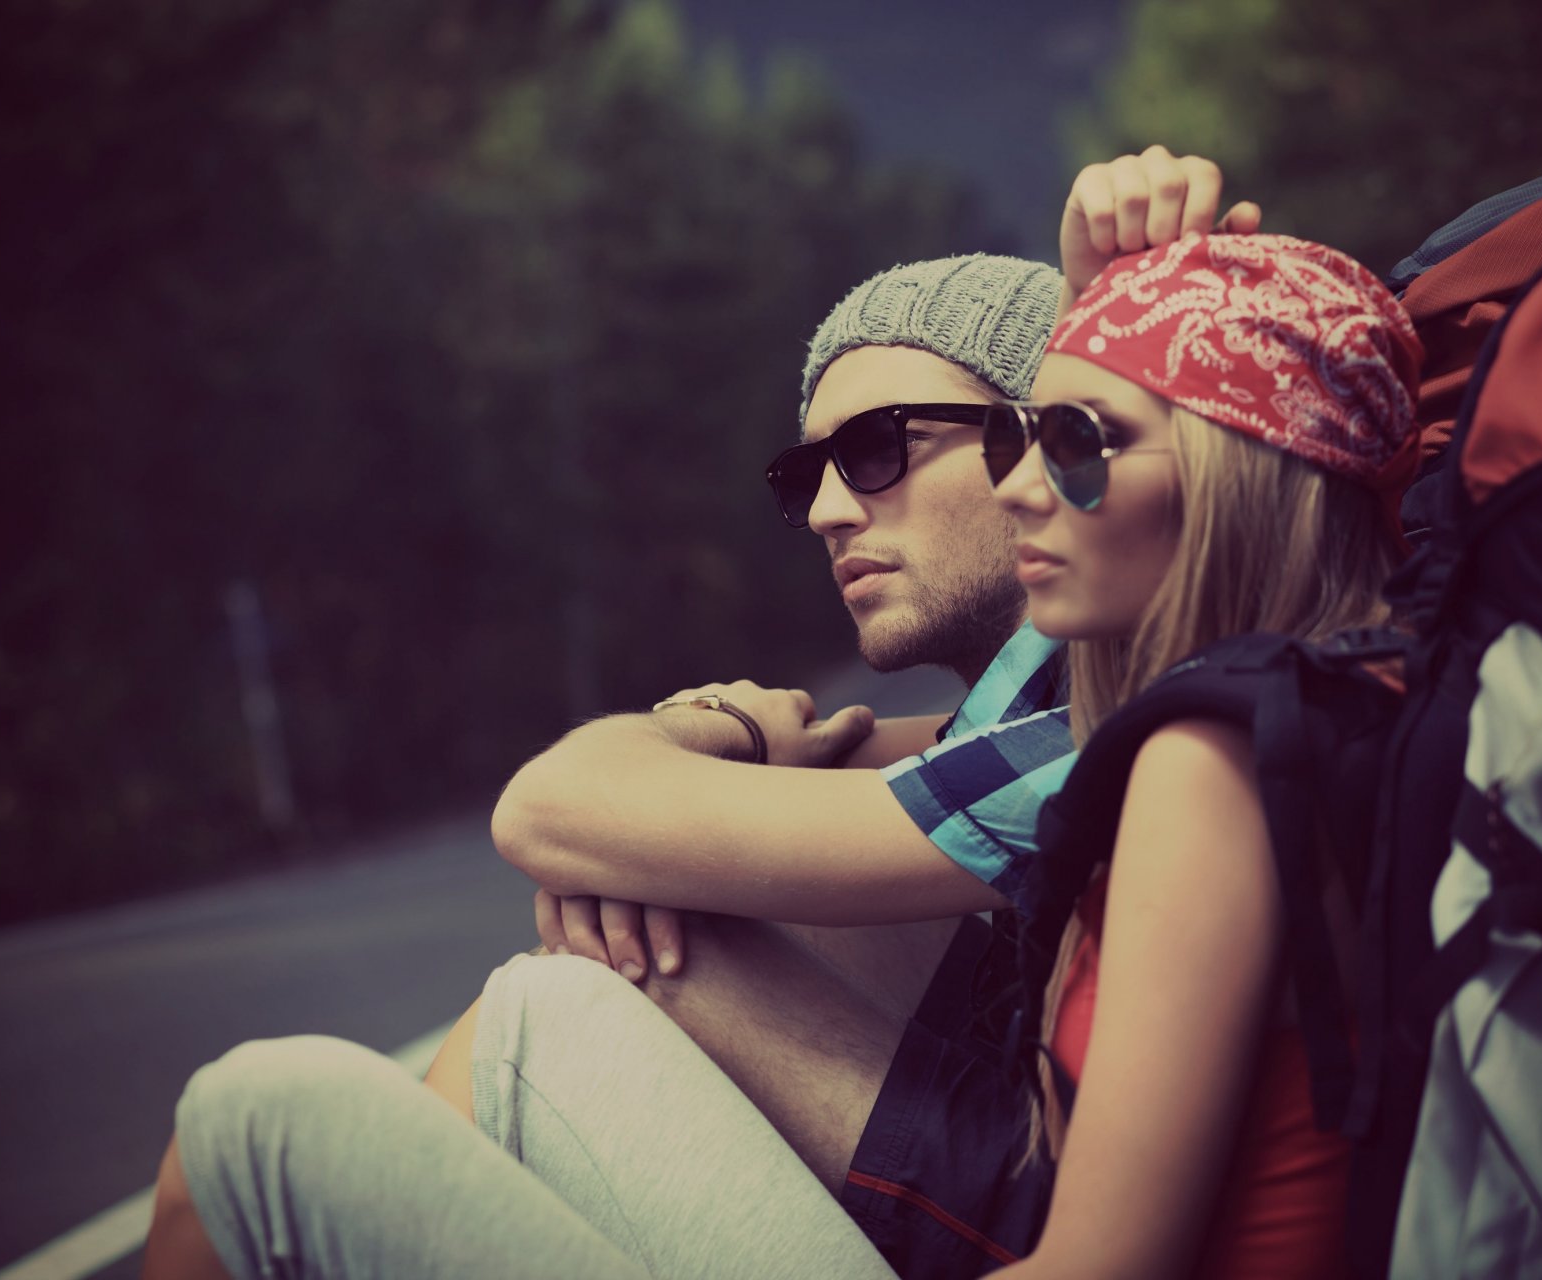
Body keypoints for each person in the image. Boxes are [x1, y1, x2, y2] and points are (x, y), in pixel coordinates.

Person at [140, 149, 1265, 1279]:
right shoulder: (1047, 719)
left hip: (1025, 1215)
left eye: (878, 450)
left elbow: (552, 809)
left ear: (1044, 439)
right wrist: (699, 774)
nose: (828, 509)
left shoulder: (1114, 740)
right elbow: (605, 816)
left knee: (273, 1115)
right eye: (805, 475)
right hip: (1016, 1173)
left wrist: (715, 736)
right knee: (582, 974)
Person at [976, 231, 1421, 1277]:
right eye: (1020, 438)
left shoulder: (1210, 762)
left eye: (1081, 440)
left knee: (553, 1023)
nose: (1018, 488)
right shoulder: (1366, 693)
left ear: (1239, 474)